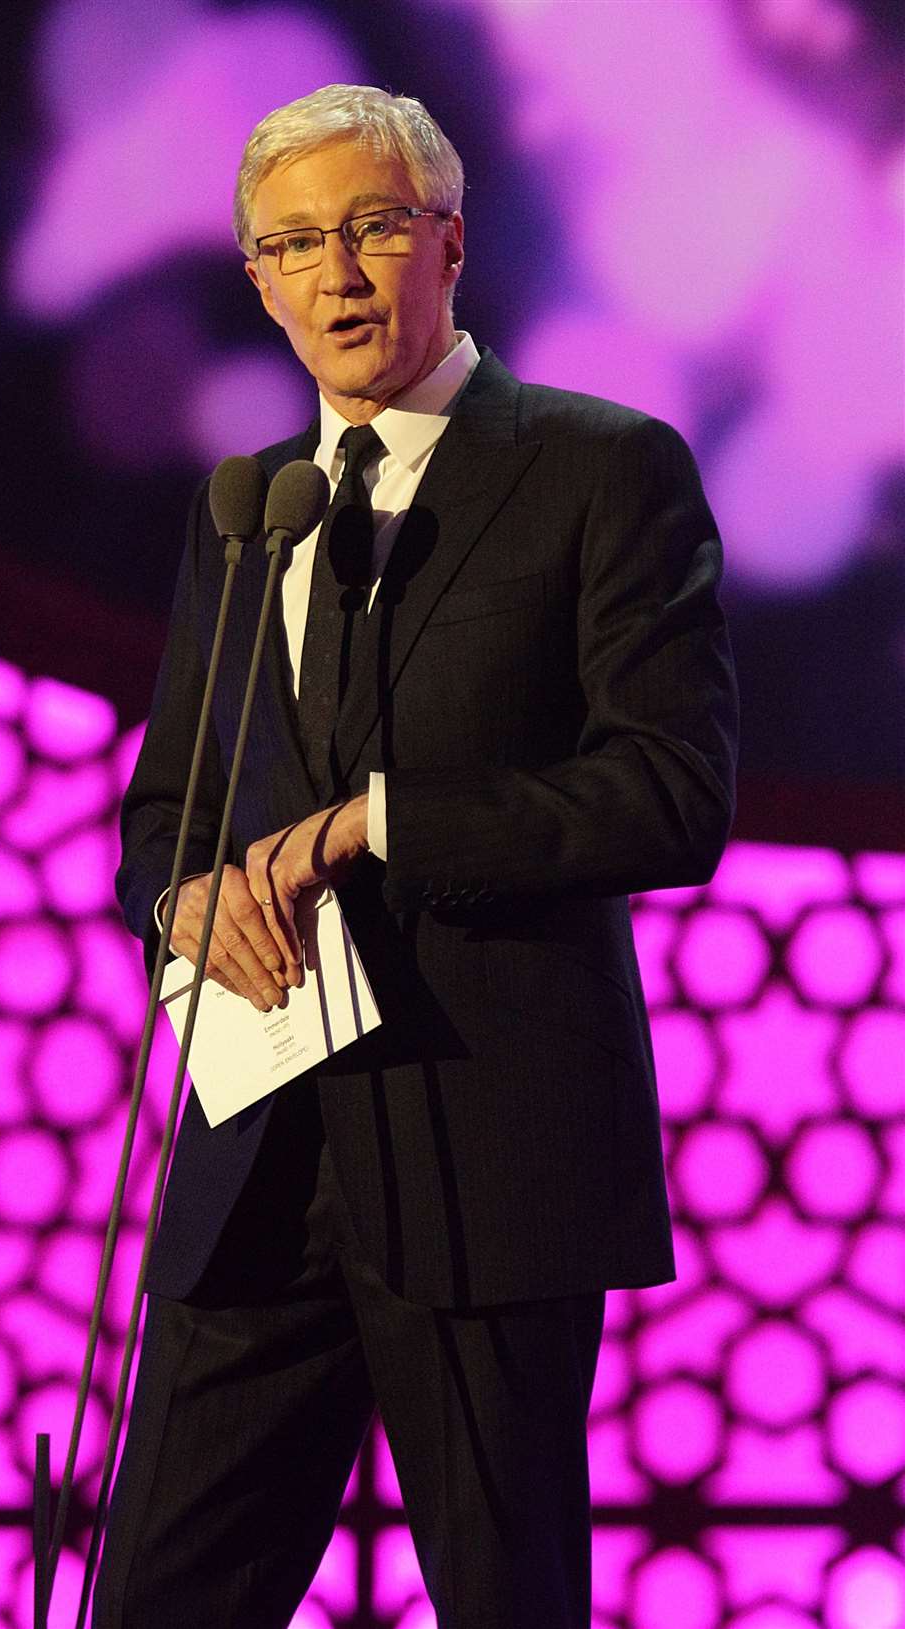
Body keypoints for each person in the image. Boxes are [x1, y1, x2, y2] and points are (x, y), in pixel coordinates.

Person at [96, 84, 738, 1629]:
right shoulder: (242, 508)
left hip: (489, 1156)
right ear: (255, 279)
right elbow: (165, 810)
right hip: (258, 1165)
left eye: (374, 227)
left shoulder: (602, 470)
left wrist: (381, 823)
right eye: (295, 244)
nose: (340, 273)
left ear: (450, 239)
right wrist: (186, 896)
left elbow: (671, 791)